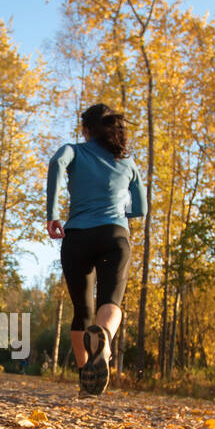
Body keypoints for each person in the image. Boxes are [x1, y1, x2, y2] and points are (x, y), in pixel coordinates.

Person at [46, 103, 147, 396]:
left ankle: (85, 380)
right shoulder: (127, 162)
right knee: (111, 302)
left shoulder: (74, 151)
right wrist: (116, 210)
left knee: (82, 311)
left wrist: (53, 213)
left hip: (77, 236)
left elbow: (56, 163)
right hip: (114, 235)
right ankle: (103, 338)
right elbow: (140, 208)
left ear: (86, 129)